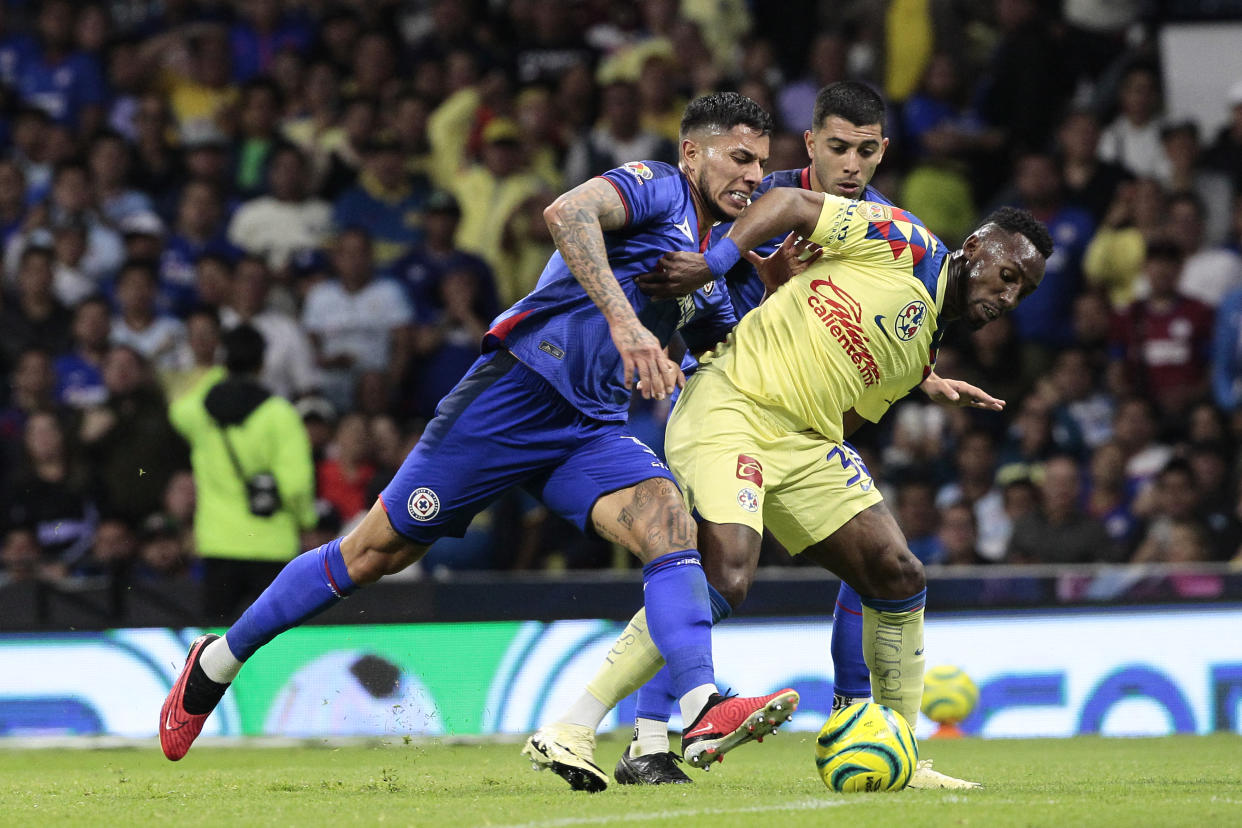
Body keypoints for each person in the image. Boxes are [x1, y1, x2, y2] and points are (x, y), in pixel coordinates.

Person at [159, 93, 799, 777]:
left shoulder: (716, 257)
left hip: (588, 428)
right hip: (513, 394)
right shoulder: (656, 186)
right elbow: (566, 213)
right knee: (374, 553)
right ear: (693, 153)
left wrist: (775, 292)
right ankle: (219, 659)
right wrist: (624, 320)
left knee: (670, 522)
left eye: (761, 164)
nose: (751, 176)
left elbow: (723, 346)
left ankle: (700, 704)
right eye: (739, 158)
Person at [529, 187, 1050, 791]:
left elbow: (851, 419)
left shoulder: (923, 344)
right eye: (1006, 275)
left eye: (1023, 291)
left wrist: (823, 481)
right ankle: (574, 725)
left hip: (806, 442)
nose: (1008, 296)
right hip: (733, 406)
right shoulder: (905, 242)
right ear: (975, 249)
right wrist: (718, 259)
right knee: (727, 576)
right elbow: (792, 203)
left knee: (897, 573)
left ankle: (903, 756)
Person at [585, 81, 985, 790]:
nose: (851, 165)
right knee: (711, 566)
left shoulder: (887, 228)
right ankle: (639, 735)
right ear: (811, 144)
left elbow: (868, 328)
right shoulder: (752, 192)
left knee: (875, 566)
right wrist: (736, 276)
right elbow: (687, 265)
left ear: (883, 151)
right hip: (725, 388)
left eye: (866, 151)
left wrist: (918, 372)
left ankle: (860, 722)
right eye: (837, 147)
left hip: (800, 415)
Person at [169, 323, 316, 623]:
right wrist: (307, 522)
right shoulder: (280, 414)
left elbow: (176, 410)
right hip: (273, 545)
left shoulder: (201, 412)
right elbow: (297, 485)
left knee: (215, 644)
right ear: (262, 364)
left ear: (225, 361)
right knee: (275, 640)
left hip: (218, 544)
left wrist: (218, 373)